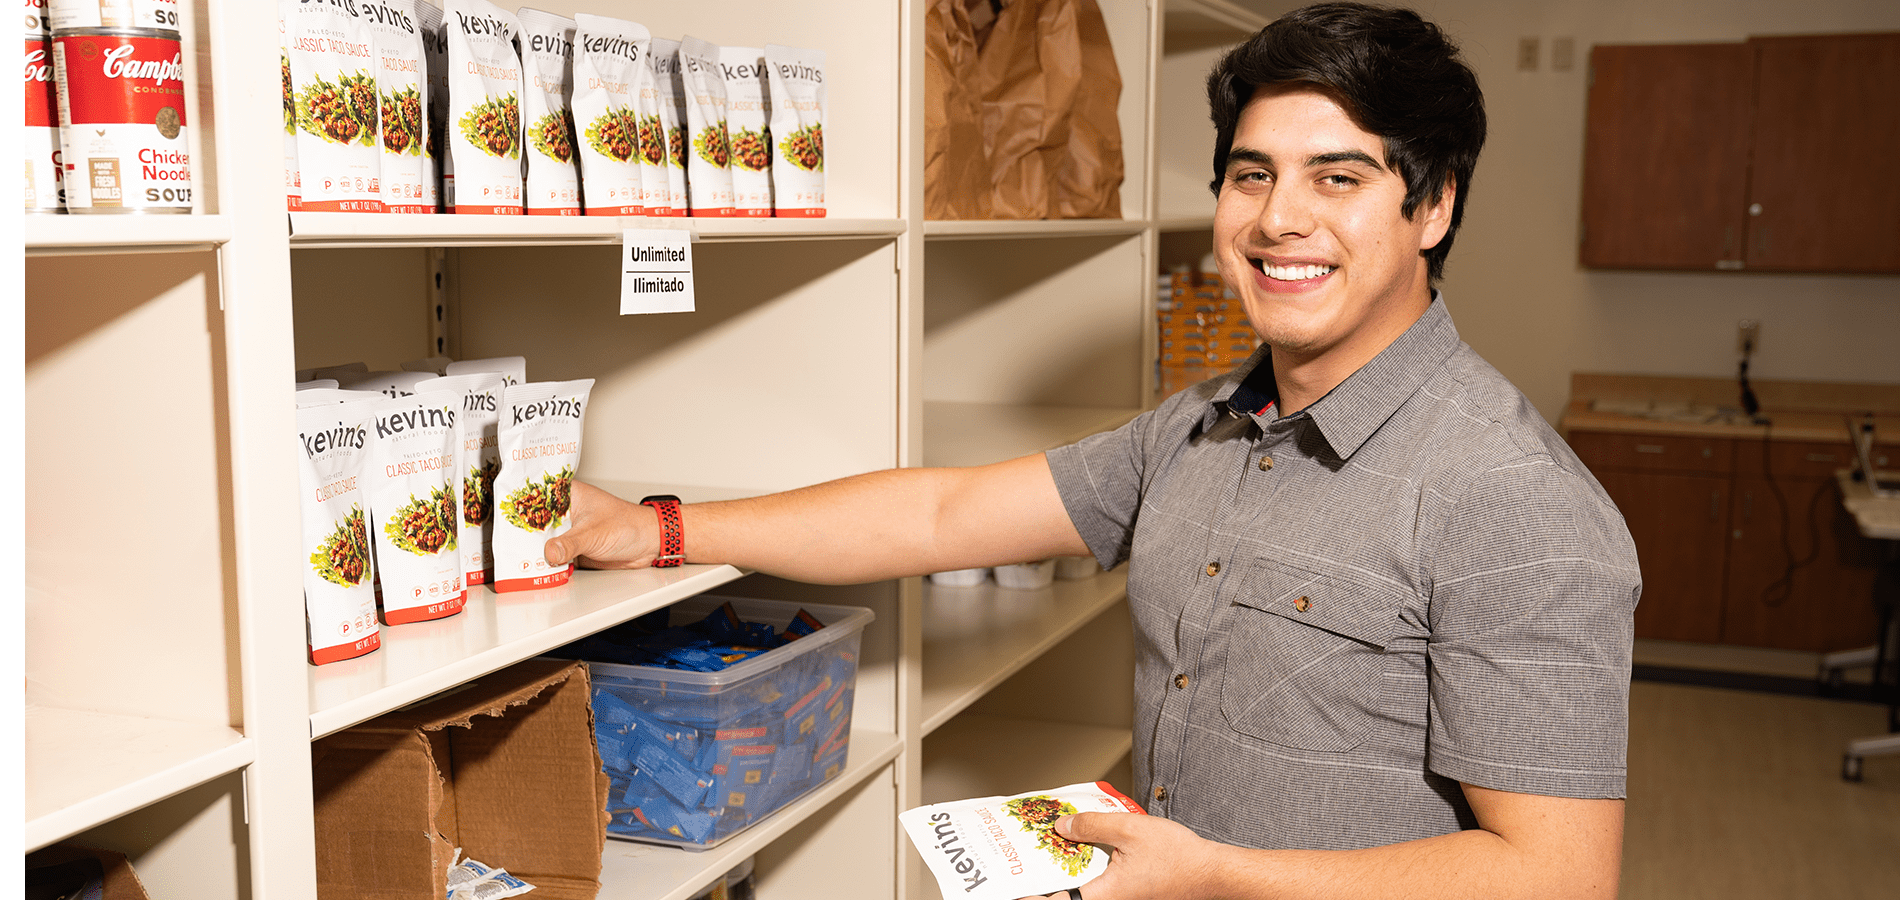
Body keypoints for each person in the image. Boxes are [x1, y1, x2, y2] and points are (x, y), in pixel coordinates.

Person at [545, 3, 1640, 898]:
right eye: (1250, 175)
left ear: (1432, 206)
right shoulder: (1205, 423)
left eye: (1338, 178)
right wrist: (658, 527)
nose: (1277, 220)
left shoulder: (1512, 500)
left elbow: (1553, 875)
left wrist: (1215, 876)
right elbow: (940, 518)